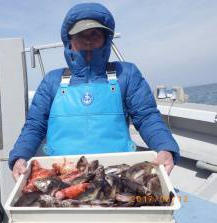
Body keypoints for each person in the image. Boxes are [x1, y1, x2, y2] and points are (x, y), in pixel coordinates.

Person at [9, 2, 180, 181]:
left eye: (95, 34)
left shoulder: (126, 74)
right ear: (70, 41)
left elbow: (147, 116)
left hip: (116, 174)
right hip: (61, 174)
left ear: (106, 38)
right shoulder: (52, 80)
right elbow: (35, 125)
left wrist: (165, 148)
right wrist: (20, 157)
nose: (88, 40)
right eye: (80, 35)